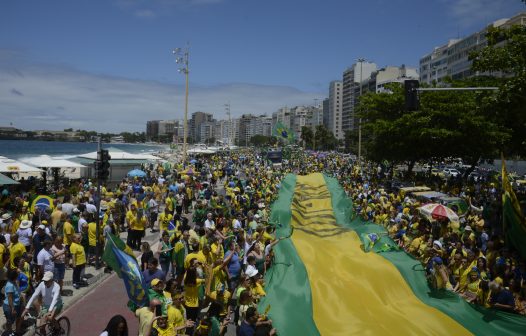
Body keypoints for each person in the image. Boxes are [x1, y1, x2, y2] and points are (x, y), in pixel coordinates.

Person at [3, 269, 22, 335]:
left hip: (17, 304)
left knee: (16, 319)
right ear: (14, 276)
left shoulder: (14, 282)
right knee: (10, 321)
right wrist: (13, 309)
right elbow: (10, 298)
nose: (19, 273)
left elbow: (18, 292)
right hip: (10, 307)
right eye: (18, 273)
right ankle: (9, 333)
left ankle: (15, 332)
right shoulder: (10, 285)